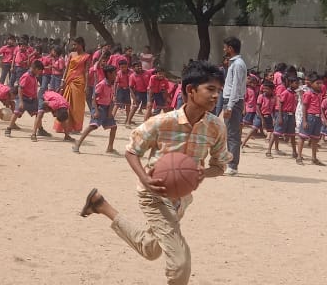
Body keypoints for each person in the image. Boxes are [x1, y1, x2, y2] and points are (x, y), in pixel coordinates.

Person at [78, 60, 231, 285]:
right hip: (154, 195)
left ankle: (101, 205)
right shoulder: (162, 122)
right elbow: (132, 151)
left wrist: (203, 173)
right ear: (190, 90)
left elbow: (220, 165)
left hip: (181, 199)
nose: (216, 95)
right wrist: (145, 180)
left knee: (150, 249)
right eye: (210, 89)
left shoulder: (216, 127)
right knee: (180, 263)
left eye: (219, 90)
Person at [73, 65, 119, 154]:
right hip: (100, 108)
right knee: (93, 126)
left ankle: (110, 147)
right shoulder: (102, 84)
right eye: (114, 73)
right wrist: (96, 111)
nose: (115, 75)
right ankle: (77, 144)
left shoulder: (112, 84)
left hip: (107, 108)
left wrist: (110, 111)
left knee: (114, 127)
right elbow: (94, 98)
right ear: (109, 74)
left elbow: (111, 98)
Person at [55, 37, 91, 140]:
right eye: (73, 45)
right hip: (68, 80)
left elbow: (87, 71)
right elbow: (67, 68)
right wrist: (63, 80)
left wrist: (87, 85)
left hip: (79, 82)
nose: (74, 46)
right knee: (65, 103)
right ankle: (63, 125)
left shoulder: (87, 56)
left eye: (75, 45)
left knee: (77, 106)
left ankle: (76, 127)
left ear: (81, 44)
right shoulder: (71, 55)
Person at [219, 37, 246, 176]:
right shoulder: (234, 63)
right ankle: (229, 162)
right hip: (230, 100)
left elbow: (236, 86)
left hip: (233, 101)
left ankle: (233, 165)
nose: (224, 49)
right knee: (229, 133)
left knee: (233, 134)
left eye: (225, 47)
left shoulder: (238, 64)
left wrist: (229, 106)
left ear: (230, 48)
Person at [5, 61, 44, 137]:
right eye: (40, 70)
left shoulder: (34, 76)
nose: (40, 72)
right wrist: (21, 101)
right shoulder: (26, 76)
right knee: (16, 112)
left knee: (38, 113)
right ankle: (8, 129)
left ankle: (41, 130)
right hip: (24, 98)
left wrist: (35, 99)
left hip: (32, 99)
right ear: (36, 69)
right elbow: (20, 88)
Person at [296, 73, 325, 166]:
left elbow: (320, 107)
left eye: (321, 83)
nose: (320, 85)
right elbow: (304, 107)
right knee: (302, 137)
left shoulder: (319, 94)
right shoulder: (308, 94)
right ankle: (299, 157)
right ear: (311, 84)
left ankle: (314, 158)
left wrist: (323, 117)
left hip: (317, 118)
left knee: (315, 139)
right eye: (318, 83)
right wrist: (304, 120)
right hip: (310, 117)